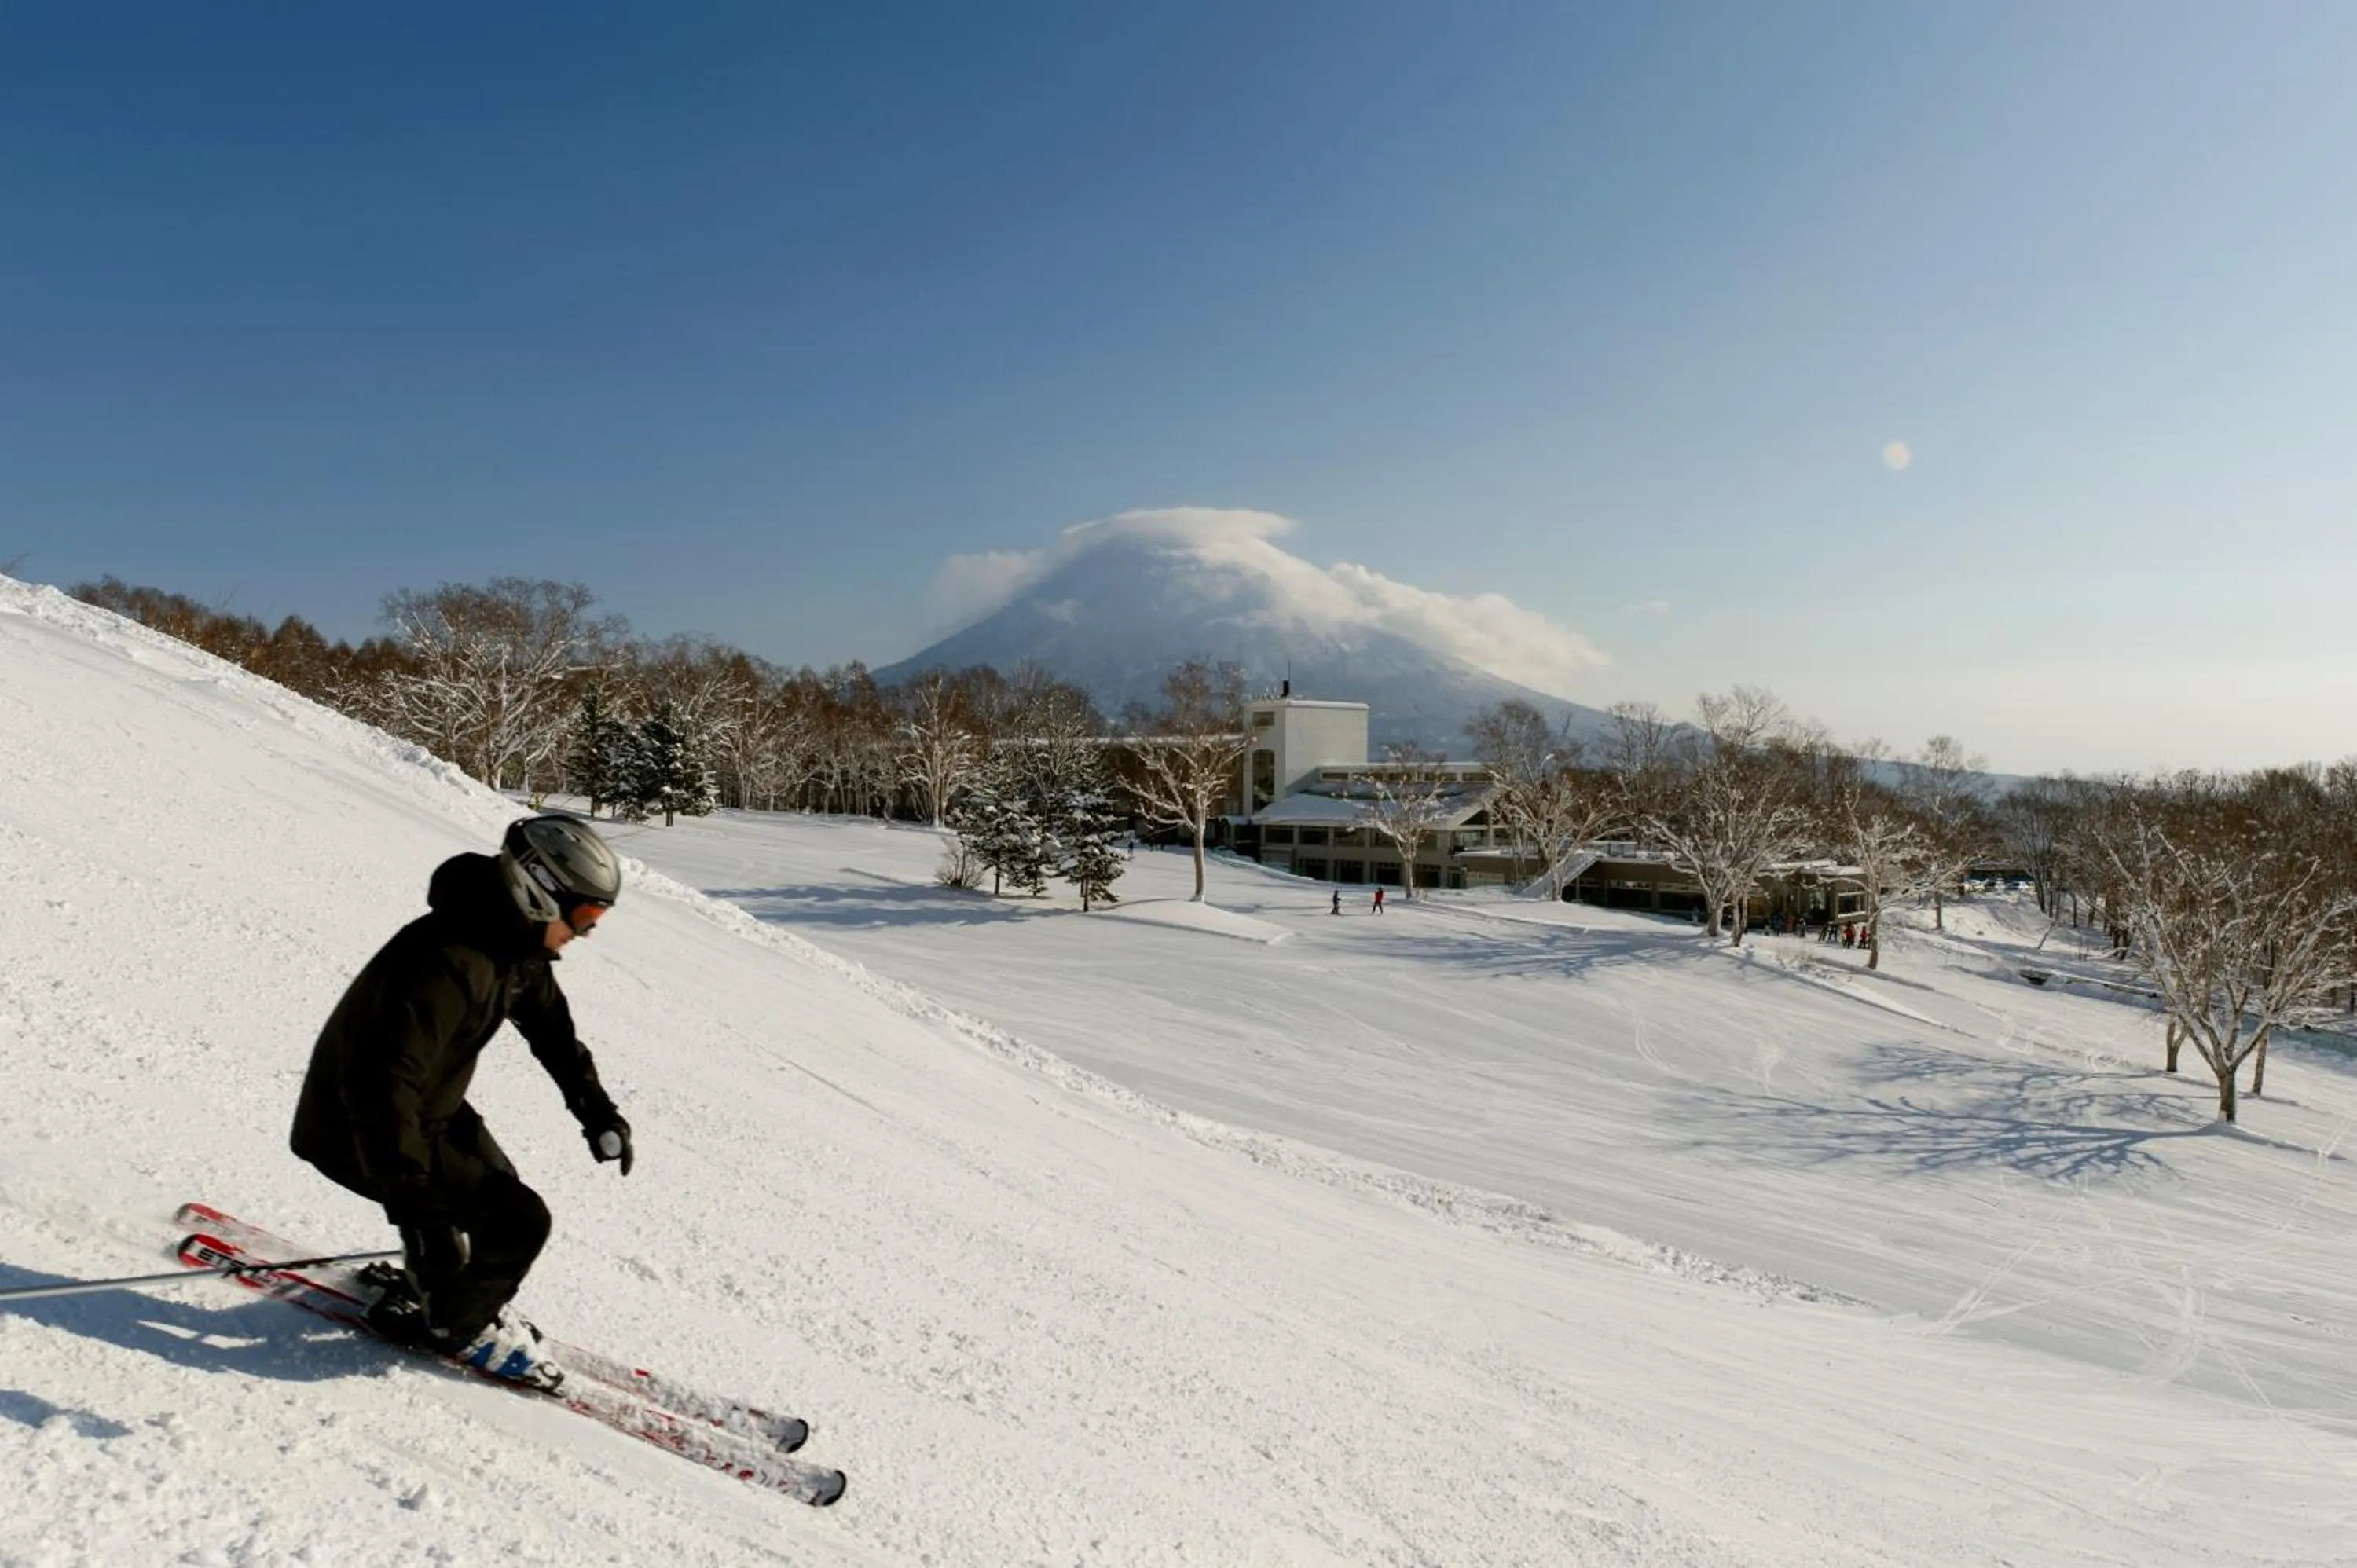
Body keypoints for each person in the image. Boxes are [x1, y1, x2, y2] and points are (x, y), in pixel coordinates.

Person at [289, 813, 632, 1387]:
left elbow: (552, 1029)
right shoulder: (445, 961)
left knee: (499, 1196)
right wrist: (417, 1211)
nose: (588, 932)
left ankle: (441, 1293)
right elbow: (382, 1088)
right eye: (586, 916)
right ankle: (454, 1324)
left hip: (428, 1111)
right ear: (540, 893)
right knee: (518, 1224)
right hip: (356, 1127)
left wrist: (595, 1110)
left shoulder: (511, 947)